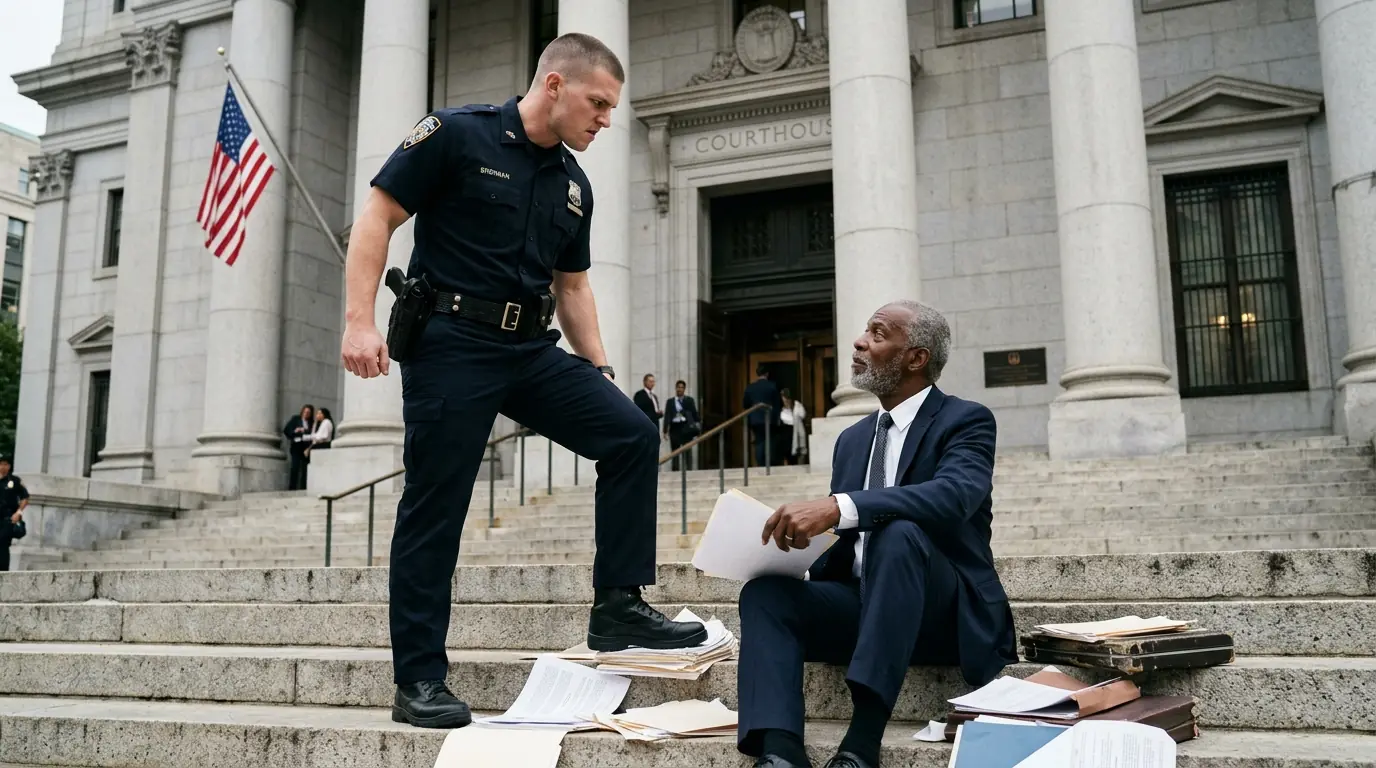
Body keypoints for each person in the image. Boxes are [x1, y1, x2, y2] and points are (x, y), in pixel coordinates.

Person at [338, 33, 707, 730]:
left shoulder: (574, 184)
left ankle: (618, 607)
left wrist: (597, 368)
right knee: (436, 507)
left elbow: (572, 285)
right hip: (450, 342)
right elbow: (378, 216)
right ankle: (419, 680)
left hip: (529, 348)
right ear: (555, 85)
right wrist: (360, 322)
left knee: (629, 434)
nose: (605, 119)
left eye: (612, 108)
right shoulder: (456, 133)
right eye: (598, 103)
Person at [735, 301, 1017, 768]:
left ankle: (862, 741)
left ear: (915, 358)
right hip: (864, 610)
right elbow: (845, 540)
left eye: (877, 334)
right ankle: (780, 751)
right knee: (766, 594)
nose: (859, 342)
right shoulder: (852, 439)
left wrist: (839, 507)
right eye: (865, 331)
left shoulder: (966, 420)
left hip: (940, 616)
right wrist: (795, 554)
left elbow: (953, 497)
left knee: (897, 532)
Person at [743, 364, 783, 467]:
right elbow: (778, 404)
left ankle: (760, 463)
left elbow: (745, 404)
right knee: (769, 440)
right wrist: (777, 418)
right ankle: (769, 463)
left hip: (755, 419)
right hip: (770, 418)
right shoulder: (772, 386)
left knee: (759, 441)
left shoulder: (750, 388)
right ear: (767, 374)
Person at [0, 456, 30, 572]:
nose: (3, 467)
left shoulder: (14, 481)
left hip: (8, 519)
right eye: (1, 464)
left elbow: (25, 497)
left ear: (9, 466)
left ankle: (2, 574)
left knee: (2, 544)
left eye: (6, 464)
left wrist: (19, 512)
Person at [663, 380, 700, 470]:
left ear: (684, 389)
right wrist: (665, 430)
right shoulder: (670, 401)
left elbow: (694, 414)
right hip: (675, 428)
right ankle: (675, 471)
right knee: (675, 452)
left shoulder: (689, 400)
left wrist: (697, 427)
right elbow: (667, 416)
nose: (680, 389)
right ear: (676, 388)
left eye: (682, 387)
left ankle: (689, 470)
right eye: (678, 387)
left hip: (686, 428)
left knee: (687, 451)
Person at [282, 405, 314, 490]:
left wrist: (306, 431)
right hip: (296, 445)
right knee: (295, 467)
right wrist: (295, 431)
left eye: (308, 413)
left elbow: (313, 434)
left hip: (306, 447)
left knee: (305, 469)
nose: (306, 414)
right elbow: (286, 430)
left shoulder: (311, 423)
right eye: (305, 412)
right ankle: (292, 488)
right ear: (302, 411)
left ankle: (303, 488)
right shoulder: (296, 419)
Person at [778, 388, 807, 465]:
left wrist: (796, 407)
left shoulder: (797, 406)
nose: (784, 399)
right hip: (785, 432)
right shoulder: (781, 409)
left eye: (785, 397)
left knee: (798, 451)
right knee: (786, 452)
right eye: (782, 397)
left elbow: (803, 415)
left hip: (795, 431)